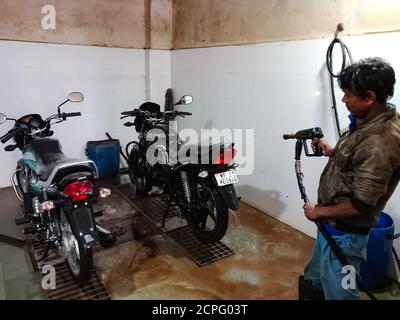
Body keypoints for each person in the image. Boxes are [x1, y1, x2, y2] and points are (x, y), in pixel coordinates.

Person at [302, 57, 400, 300]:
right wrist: (332, 151)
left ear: (369, 97)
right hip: (332, 228)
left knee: (341, 292)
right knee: (314, 278)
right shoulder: (366, 122)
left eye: (348, 94)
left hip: (346, 235)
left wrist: (319, 212)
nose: (344, 99)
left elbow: (361, 204)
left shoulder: (381, 141)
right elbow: (357, 158)